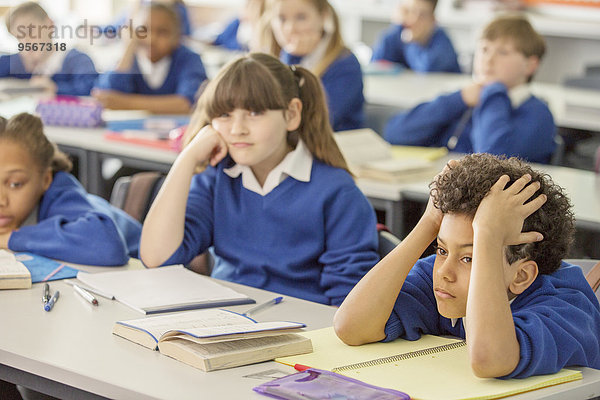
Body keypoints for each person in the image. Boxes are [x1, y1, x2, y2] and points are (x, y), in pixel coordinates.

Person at [140, 53, 379, 306]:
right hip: (226, 322)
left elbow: (350, 304)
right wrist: (186, 160)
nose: (237, 129)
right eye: (224, 115)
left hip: (305, 331)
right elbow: (157, 257)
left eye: (254, 113)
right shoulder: (217, 178)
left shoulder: (337, 192)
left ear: (291, 114)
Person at [334, 153, 600, 379]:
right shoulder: (444, 281)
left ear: (521, 275)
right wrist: (429, 222)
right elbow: (351, 327)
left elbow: (489, 360)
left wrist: (487, 233)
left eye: (469, 258)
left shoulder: (567, 309)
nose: (444, 272)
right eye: (441, 249)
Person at [384, 15, 556, 164]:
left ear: (530, 65)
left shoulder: (538, 114)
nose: (488, 60)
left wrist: (494, 92)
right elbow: (395, 133)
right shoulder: (466, 99)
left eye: (503, 52)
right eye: (484, 49)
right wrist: (458, 99)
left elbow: (491, 160)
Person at [0, 113, 141, 266]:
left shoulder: (62, 196)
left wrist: (10, 238)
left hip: (147, 274)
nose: (1, 200)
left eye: (15, 184)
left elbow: (108, 246)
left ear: (46, 179)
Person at [259, 0, 364, 132]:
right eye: (281, 18)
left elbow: (314, 121)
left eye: (301, 17)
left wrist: (292, 59)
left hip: (334, 145)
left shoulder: (345, 64)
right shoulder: (270, 57)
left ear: (323, 17)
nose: (290, 28)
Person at [93, 2, 206, 114]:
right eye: (143, 30)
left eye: (162, 32)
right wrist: (128, 49)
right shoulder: (128, 60)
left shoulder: (189, 60)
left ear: (177, 37)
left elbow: (187, 104)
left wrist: (124, 103)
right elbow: (105, 97)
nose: (151, 39)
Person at [0, 2, 98, 96]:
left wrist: (56, 88)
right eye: (18, 37)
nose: (25, 42)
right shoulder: (17, 62)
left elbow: (91, 90)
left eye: (30, 31)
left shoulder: (77, 60)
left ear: (50, 25)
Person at [371, 0, 461, 73]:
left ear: (433, 20)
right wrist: (397, 24)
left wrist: (413, 42)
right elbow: (375, 66)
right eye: (410, 11)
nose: (414, 19)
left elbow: (427, 69)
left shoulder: (442, 42)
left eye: (422, 15)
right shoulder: (398, 32)